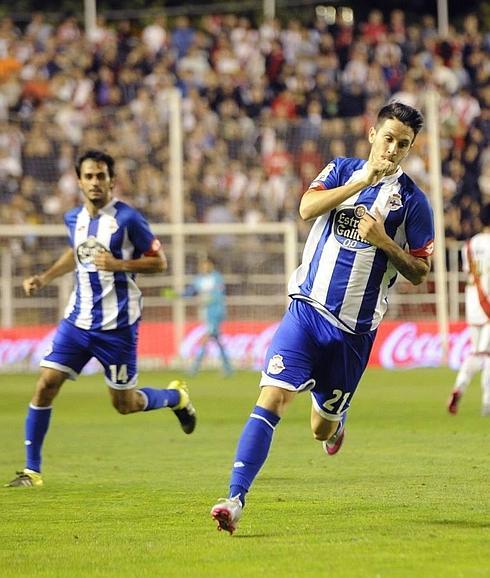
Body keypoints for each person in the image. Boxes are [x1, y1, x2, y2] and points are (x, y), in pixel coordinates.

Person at [210, 102, 434, 534]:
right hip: (306, 311)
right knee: (272, 399)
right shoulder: (340, 169)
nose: (393, 149)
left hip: (354, 333)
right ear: (372, 134)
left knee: (320, 428)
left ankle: (335, 425)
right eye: (388, 138)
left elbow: (420, 272)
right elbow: (306, 208)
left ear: (410, 149)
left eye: (403, 144)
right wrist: (361, 182)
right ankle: (234, 499)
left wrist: (385, 242)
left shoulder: (413, 202)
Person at [5, 149, 196, 488]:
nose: (95, 182)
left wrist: (119, 264)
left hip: (117, 327)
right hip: (77, 322)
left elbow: (159, 262)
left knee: (125, 403)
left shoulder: (128, 219)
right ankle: (32, 472)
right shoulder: (73, 218)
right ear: (79, 181)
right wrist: (45, 277)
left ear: (111, 181)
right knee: (46, 384)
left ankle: (175, 397)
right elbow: (76, 252)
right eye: (89, 176)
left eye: (101, 176)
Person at [447, 203, 490, 417]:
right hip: (488, 302)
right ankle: (487, 402)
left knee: (477, 351)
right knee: (486, 355)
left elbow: (469, 272)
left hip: (473, 302)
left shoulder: (470, 244)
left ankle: (460, 387)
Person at [183, 255, 233, 376]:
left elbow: (220, 295)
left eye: (207, 265)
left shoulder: (217, 278)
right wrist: (178, 295)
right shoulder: (199, 279)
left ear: (211, 265)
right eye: (203, 265)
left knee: (206, 338)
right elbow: (190, 292)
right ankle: (228, 368)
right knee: (217, 340)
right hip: (206, 313)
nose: (205, 267)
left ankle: (194, 368)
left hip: (216, 312)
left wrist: (211, 300)